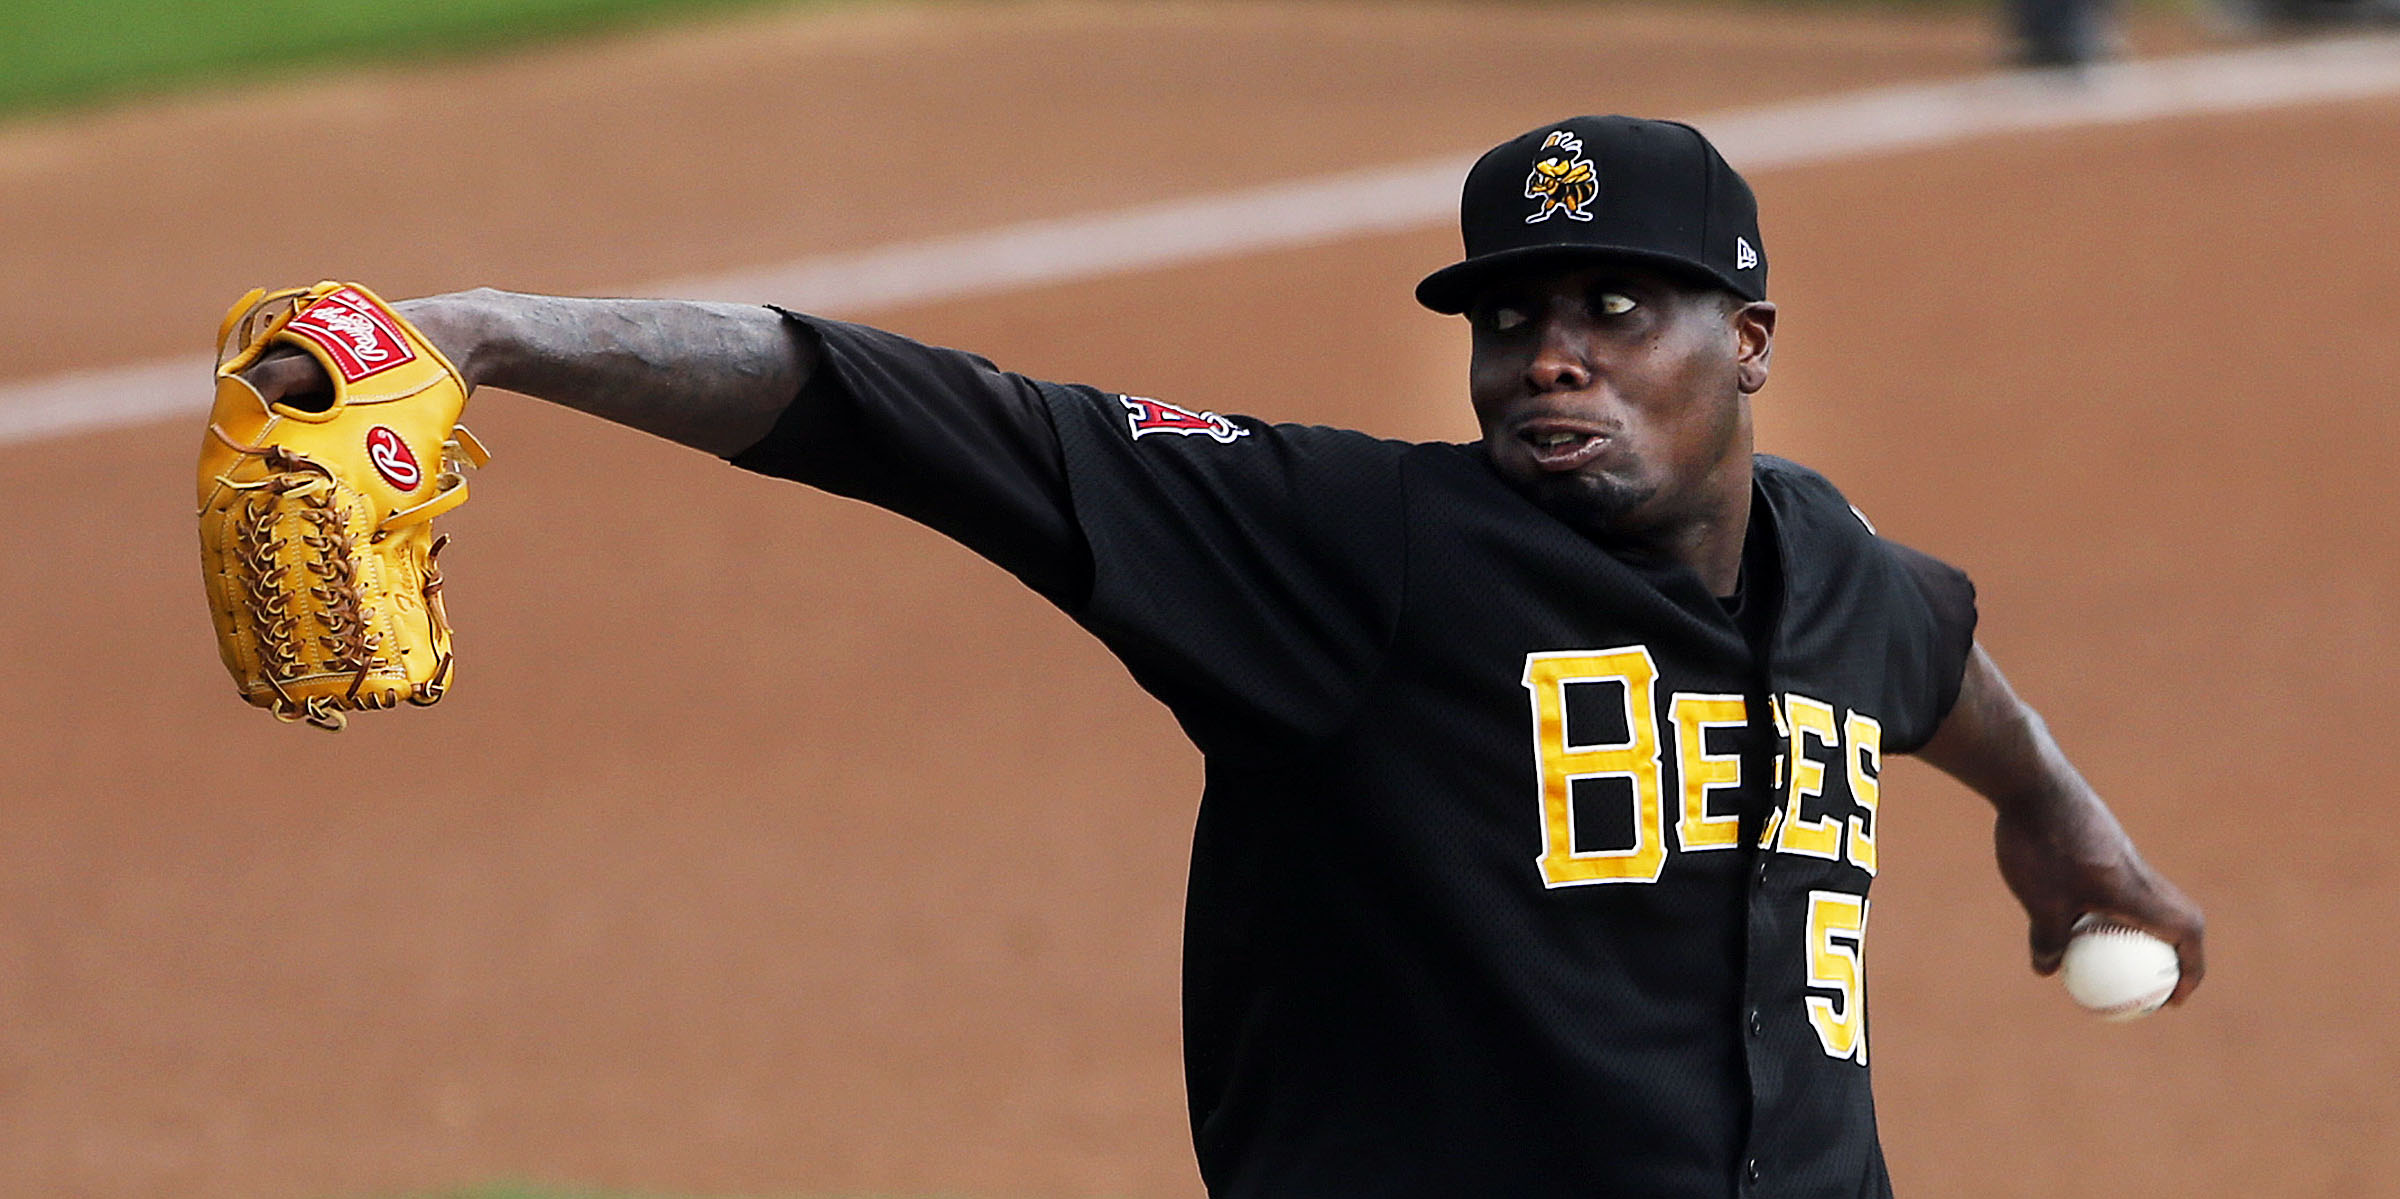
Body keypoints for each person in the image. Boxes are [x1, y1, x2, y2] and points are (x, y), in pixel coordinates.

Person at [239, 115, 2204, 1197]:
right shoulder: (1360, 551)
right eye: (1512, 320)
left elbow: (1927, 649)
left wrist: (2058, 814)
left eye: (1618, 309)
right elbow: (919, 417)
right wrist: (483, 329)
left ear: (1752, 343)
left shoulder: (1833, 561)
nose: (1552, 357)